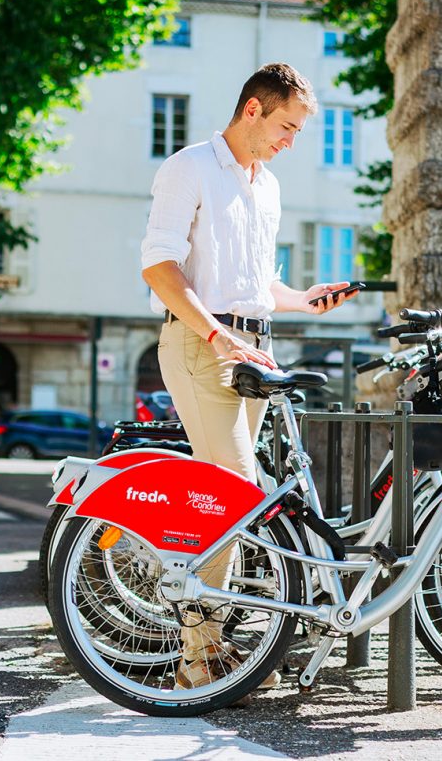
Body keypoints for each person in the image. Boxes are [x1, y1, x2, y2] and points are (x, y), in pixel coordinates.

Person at [140, 63, 358, 695]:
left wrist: (304, 297)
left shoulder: (268, 186)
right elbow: (158, 266)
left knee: (242, 500)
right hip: (201, 344)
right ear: (254, 110)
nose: (291, 141)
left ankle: (211, 645)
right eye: (287, 126)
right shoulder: (189, 166)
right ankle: (197, 661)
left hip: (254, 350)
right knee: (233, 495)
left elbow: (257, 285)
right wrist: (216, 334)